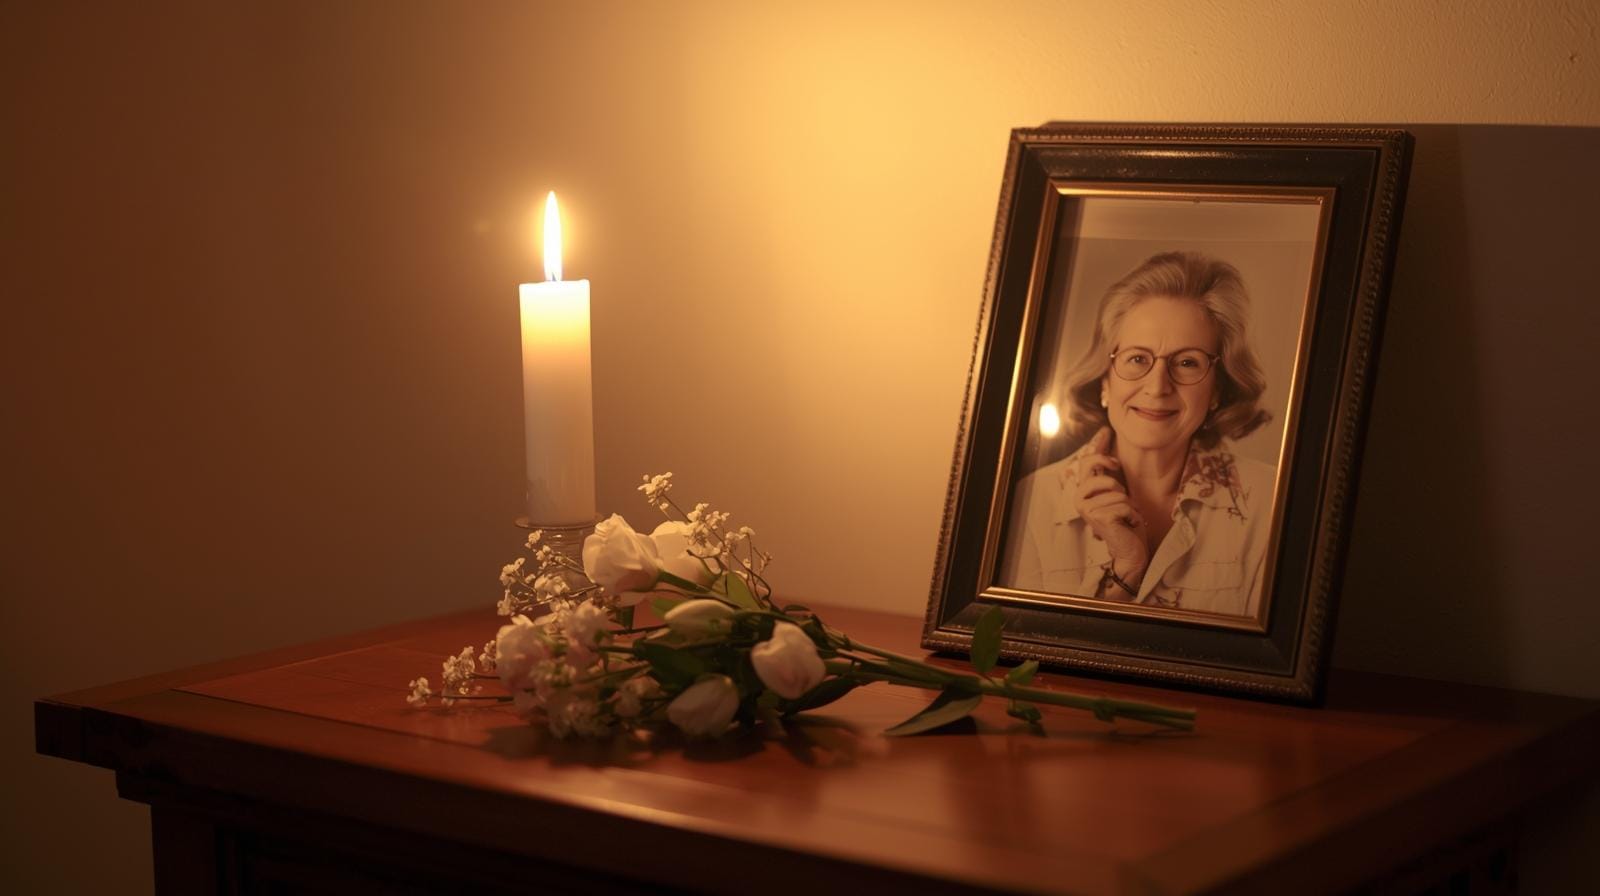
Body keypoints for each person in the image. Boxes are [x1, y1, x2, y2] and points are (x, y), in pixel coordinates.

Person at [999, 251, 1277, 617]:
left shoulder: (1270, 504)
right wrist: (1127, 567)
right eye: (1137, 359)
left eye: (1187, 362)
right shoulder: (1032, 504)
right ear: (1104, 381)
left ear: (1216, 392)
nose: (1157, 386)